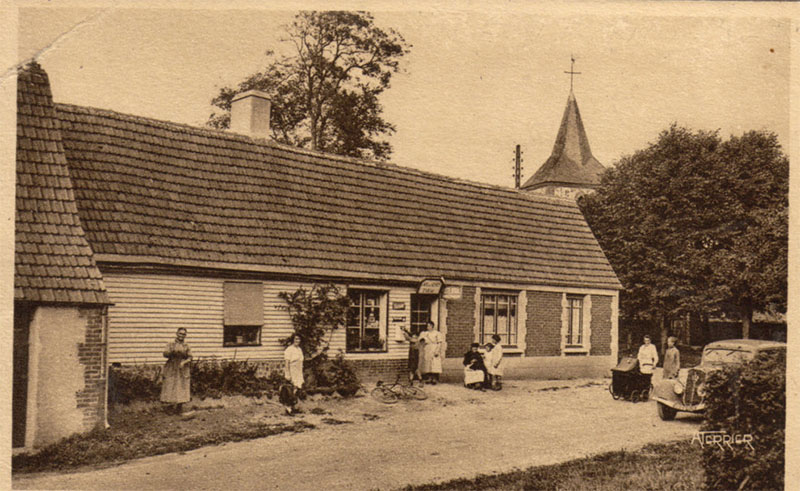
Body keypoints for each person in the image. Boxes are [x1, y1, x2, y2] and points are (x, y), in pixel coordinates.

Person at [161, 327, 192, 414]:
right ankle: (170, 407)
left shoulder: (186, 346)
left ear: (185, 335)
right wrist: (171, 352)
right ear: (176, 334)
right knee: (170, 384)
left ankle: (179, 407)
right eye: (180, 333)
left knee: (181, 386)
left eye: (183, 334)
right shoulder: (171, 344)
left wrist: (184, 362)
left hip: (182, 368)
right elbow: (165, 354)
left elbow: (190, 357)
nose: (181, 335)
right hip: (171, 366)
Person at [282, 334, 304, 415]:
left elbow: (300, 361)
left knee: (297, 389)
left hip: (298, 370)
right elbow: (287, 363)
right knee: (290, 390)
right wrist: (288, 374)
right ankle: (288, 408)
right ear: (292, 340)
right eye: (296, 339)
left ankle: (293, 407)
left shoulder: (299, 349)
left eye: (299, 339)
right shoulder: (289, 349)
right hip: (292, 370)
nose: (297, 341)